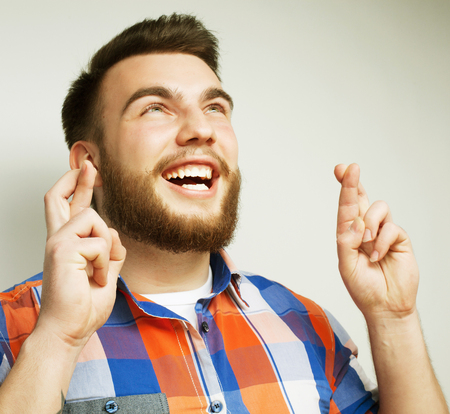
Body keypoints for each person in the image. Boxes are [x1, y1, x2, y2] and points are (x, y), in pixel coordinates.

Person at [0, 13, 447, 414]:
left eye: (215, 108)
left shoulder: (304, 322)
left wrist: (394, 318)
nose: (201, 129)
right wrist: (58, 339)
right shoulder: (13, 329)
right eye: (155, 107)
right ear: (87, 164)